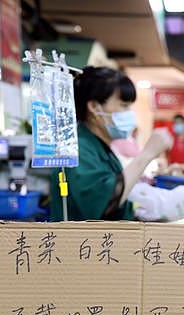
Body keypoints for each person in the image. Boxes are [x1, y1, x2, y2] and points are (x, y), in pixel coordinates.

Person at [50, 67, 172, 221]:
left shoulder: (99, 146)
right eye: (123, 105)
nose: (129, 113)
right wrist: (146, 154)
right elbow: (105, 201)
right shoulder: (79, 149)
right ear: (94, 107)